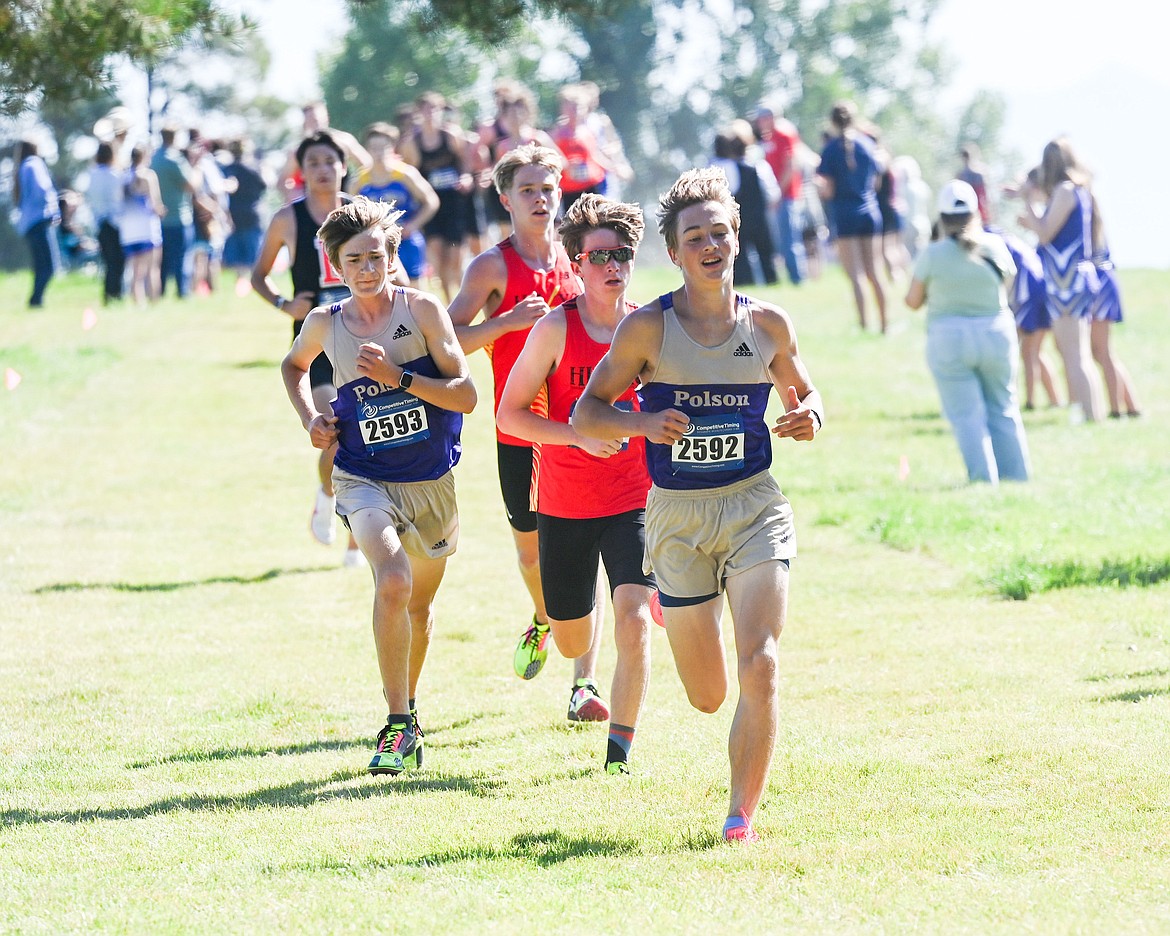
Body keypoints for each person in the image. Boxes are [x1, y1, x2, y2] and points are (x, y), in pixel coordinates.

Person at [572, 167, 823, 843]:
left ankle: (740, 816)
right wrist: (642, 426)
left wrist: (809, 417)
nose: (709, 244)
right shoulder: (647, 331)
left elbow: (805, 392)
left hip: (753, 507)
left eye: (719, 232)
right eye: (694, 236)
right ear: (675, 251)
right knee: (708, 696)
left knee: (761, 662)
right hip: (678, 518)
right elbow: (587, 412)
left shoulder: (768, 324)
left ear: (735, 238)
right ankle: (675, 603)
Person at [281, 196, 477, 775]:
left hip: (431, 482)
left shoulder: (422, 312)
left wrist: (399, 378)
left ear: (393, 255)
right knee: (391, 579)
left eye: (376, 255)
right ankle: (397, 724)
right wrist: (310, 419)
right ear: (335, 268)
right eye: (354, 260)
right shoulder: (325, 323)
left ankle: (409, 710)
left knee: (419, 604)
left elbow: (465, 395)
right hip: (362, 476)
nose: (367, 268)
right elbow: (293, 367)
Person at [448, 143, 609, 706]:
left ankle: (583, 684)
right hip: (518, 434)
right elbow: (443, 344)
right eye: (527, 191)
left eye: (548, 188)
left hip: (580, 430)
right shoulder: (492, 266)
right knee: (530, 553)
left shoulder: (578, 257)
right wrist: (507, 321)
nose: (541, 200)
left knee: (585, 550)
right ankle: (545, 616)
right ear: (505, 199)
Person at [496, 194, 654, 766]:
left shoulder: (650, 326)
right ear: (577, 264)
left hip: (635, 496)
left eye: (623, 254)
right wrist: (578, 436)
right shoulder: (554, 330)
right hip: (563, 502)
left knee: (634, 615)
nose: (613, 266)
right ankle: (548, 620)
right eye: (600, 256)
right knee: (575, 640)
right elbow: (509, 414)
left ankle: (620, 752)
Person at [251, 131, 364, 566]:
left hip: (366, 335)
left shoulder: (362, 213)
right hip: (316, 340)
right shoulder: (288, 219)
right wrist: (284, 303)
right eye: (312, 161)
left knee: (369, 437)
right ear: (303, 170)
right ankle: (326, 490)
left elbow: (393, 268)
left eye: (329, 160)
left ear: (342, 166)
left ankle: (357, 541)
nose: (321, 169)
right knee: (335, 435)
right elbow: (259, 275)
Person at [905, 181, 1031, 484]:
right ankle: (1017, 478)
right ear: (976, 212)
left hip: (949, 338)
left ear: (942, 217)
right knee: (1003, 407)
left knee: (967, 416)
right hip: (996, 333)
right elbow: (1008, 288)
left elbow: (912, 301)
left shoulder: (932, 254)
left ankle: (983, 480)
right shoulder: (995, 246)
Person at [1012, 139, 1107, 423]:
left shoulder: (1066, 191)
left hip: (1067, 282)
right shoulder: (1075, 190)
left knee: (1074, 355)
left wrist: (1028, 202)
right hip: (1072, 279)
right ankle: (1092, 413)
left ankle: (1092, 416)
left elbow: (1044, 233)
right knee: (1075, 353)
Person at [816, 102, 887, 332]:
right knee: (874, 271)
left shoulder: (830, 149)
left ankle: (864, 324)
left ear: (832, 122)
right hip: (870, 213)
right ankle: (885, 324)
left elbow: (828, 190)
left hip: (845, 215)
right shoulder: (868, 145)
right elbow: (876, 183)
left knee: (855, 274)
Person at [399, 92, 474, 303]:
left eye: (434, 109)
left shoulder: (450, 135)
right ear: (418, 114)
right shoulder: (411, 144)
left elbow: (465, 161)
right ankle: (449, 301)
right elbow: (409, 174)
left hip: (454, 202)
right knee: (437, 254)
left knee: (456, 257)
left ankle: (461, 298)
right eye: (425, 110)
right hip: (431, 204)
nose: (430, 114)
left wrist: (466, 177)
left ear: (441, 112)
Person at [349, 122, 440, 288]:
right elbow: (349, 213)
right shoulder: (359, 182)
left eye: (384, 147)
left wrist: (413, 225)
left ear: (392, 148)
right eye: (374, 148)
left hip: (407, 240)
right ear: (367, 149)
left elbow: (431, 201)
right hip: (376, 245)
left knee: (415, 291)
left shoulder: (405, 174)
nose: (379, 153)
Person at [711, 129, 777, 286]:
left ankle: (745, 283)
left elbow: (732, 191)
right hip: (759, 216)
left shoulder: (718, 167)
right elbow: (772, 193)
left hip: (740, 218)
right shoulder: (757, 166)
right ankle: (771, 281)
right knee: (765, 253)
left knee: (740, 257)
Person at [754, 105, 806, 285]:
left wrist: (778, 192)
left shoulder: (785, 134)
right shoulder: (767, 138)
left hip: (787, 196)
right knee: (782, 240)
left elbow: (790, 166)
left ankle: (797, 279)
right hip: (776, 197)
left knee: (790, 239)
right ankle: (791, 277)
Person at [1088, 244, 1141, 417]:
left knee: (1102, 352)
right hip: (1101, 280)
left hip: (1100, 282)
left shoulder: (1087, 217)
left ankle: (1116, 409)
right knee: (1101, 352)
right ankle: (1131, 407)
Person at [13, 139, 61, 309]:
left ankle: (36, 301)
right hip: (40, 221)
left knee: (41, 266)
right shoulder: (35, 163)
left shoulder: (22, 166)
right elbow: (43, 189)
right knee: (49, 266)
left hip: (28, 224)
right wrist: (54, 210)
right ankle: (35, 301)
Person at [549, 85, 610, 212]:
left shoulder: (587, 131)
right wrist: (566, 165)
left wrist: (613, 168)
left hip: (592, 186)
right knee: (574, 227)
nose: (575, 110)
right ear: (563, 108)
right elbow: (549, 159)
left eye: (578, 106)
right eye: (571, 106)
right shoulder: (557, 133)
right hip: (569, 189)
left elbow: (595, 156)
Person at [151, 126, 195, 299]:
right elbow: (190, 185)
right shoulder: (175, 159)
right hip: (179, 216)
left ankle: (159, 292)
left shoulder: (154, 158)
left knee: (162, 261)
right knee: (182, 258)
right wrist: (196, 168)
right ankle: (182, 292)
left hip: (159, 219)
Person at [120, 144, 164, 307]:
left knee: (135, 271)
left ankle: (138, 303)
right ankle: (154, 302)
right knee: (152, 269)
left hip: (128, 231)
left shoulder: (124, 176)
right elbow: (155, 204)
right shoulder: (148, 176)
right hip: (147, 229)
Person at [221, 137, 269, 280]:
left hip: (234, 216)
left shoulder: (227, 169)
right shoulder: (255, 169)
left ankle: (241, 282)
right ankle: (253, 283)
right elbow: (265, 186)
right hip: (253, 215)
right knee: (254, 257)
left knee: (237, 258)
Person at [87, 141, 125, 304]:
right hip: (114, 222)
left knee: (108, 261)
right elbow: (119, 199)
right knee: (118, 262)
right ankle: (115, 294)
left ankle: (109, 294)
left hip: (100, 223)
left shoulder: (92, 175)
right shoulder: (114, 175)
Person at [957, 143, 992, 226]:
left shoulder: (960, 176)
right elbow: (986, 196)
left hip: (967, 212)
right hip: (980, 211)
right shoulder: (980, 174)